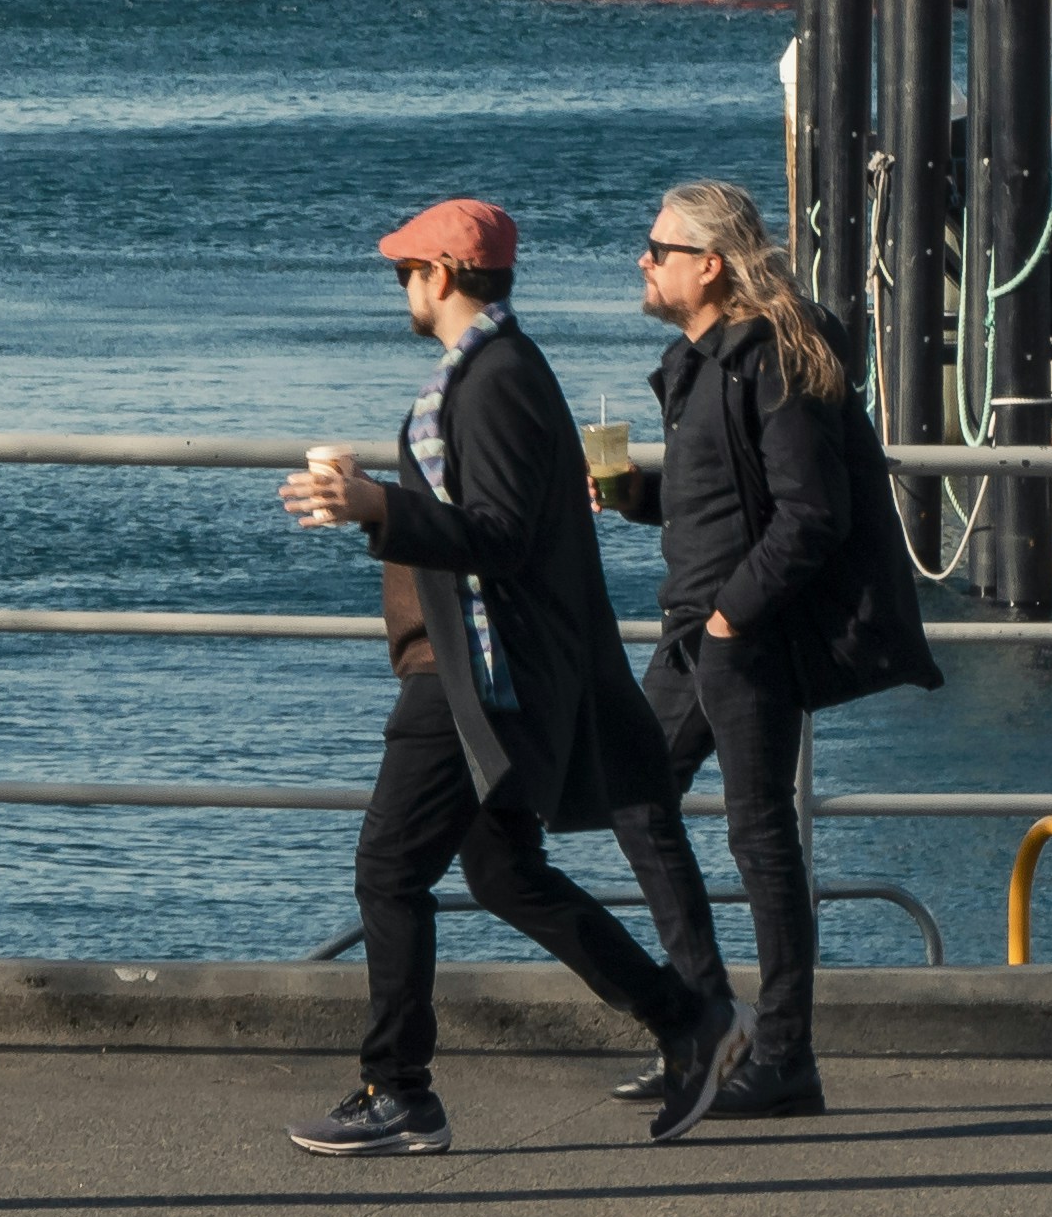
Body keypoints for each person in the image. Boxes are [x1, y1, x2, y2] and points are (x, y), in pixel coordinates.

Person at [279, 196, 744, 1161]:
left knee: (388, 868)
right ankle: (685, 1018)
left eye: (407, 271)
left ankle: (398, 1089)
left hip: (471, 679)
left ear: (442, 275)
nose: (402, 288)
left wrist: (378, 505)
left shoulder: (490, 381)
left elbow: (496, 535)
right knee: (501, 872)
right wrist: (380, 505)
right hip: (483, 671)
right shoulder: (504, 368)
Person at [596, 180, 851, 1123]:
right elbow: (720, 496)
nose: (643, 260)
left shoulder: (771, 362)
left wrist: (731, 619)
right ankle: (706, 1022)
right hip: (691, 632)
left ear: (709, 264)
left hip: (741, 636)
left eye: (657, 248)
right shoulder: (695, 362)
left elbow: (811, 515)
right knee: (630, 791)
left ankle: (784, 1055)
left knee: (759, 835)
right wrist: (634, 498)